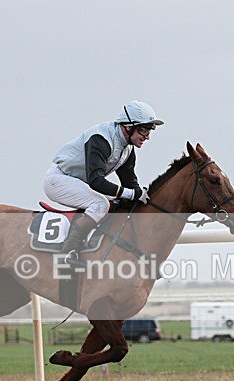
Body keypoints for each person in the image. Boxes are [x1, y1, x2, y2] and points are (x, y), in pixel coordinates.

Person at [44, 100, 164, 266]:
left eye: (150, 130)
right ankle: (68, 251)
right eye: (143, 130)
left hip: (80, 181)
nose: (147, 137)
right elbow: (96, 181)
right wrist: (131, 193)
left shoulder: (127, 147)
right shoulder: (101, 139)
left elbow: (129, 180)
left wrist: (142, 195)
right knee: (100, 204)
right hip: (59, 180)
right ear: (128, 126)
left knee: (118, 201)